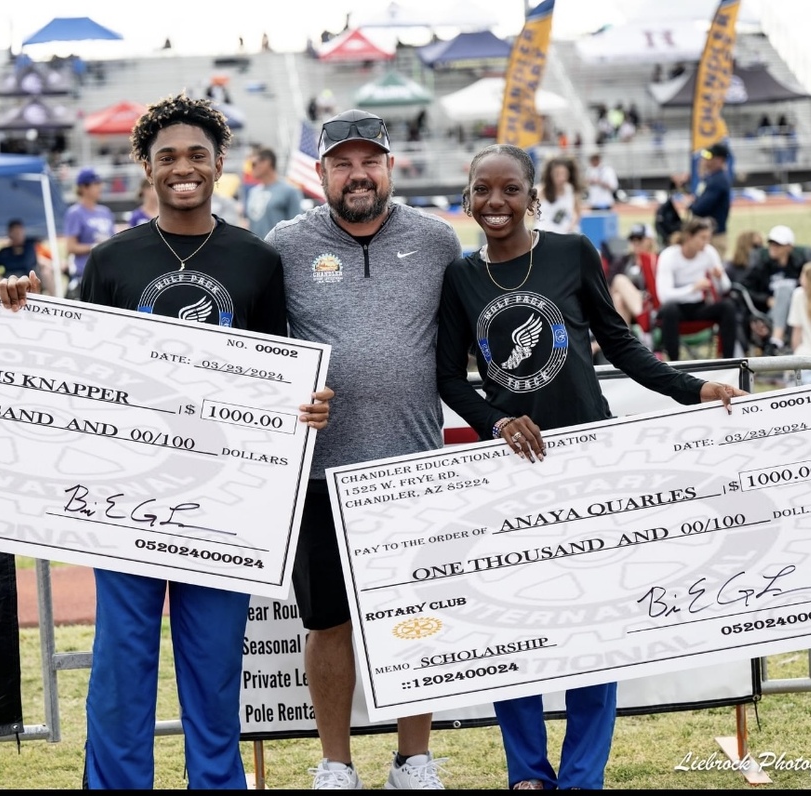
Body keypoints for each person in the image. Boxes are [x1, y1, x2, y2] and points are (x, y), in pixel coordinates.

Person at [0, 93, 333, 790]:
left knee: (213, 673)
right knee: (122, 666)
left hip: (223, 500)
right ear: (145, 165)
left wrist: (308, 403)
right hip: (127, 495)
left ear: (219, 164)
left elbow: (277, 369)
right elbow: (77, 370)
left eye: (197, 156)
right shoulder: (114, 260)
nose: (184, 168)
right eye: (168, 156)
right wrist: (24, 315)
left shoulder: (257, 261)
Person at [434, 144, 745, 791]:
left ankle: (581, 775)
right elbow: (447, 378)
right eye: (483, 190)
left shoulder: (572, 252)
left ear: (533, 196)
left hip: (587, 463)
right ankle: (527, 772)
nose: (496, 202)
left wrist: (692, 388)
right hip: (512, 470)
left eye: (510, 189)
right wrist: (496, 419)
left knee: (592, 627)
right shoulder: (460, 277)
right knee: (512, 627)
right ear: (466, 198)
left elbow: (620, 341)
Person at [266, 108, 464, 790]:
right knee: (328, 624)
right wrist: (282, 400)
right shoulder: (286, 244)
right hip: (320, 473)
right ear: (321, 172)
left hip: (412, 467)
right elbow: (261, 354)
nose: (358, 175)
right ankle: (335, 763)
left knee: (415, 616)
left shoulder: (438, 241)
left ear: (389, 168)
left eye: (369, 161)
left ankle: (414, 759)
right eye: (342, 163)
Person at [653, 217, 739, 361]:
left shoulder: (709, 252)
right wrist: (693, 288)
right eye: (702, 238)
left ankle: (728, 360)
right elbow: (664, 296)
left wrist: (719, 277)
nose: (706, 243)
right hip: (676, 309)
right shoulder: (669, 255)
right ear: (689, 237)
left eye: (708, 238)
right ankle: (675, 363)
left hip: (699, 306)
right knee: (669, 309)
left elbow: (725, 288)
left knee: (728, 306)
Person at [742, 225, 811, 355]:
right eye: (771, 243)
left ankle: (775, 342)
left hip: (798, 312)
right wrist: (766, 300)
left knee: (788, 292)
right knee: (784, 291)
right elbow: (745, 289)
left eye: (778, 244)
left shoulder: (800, 266)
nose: (773, 247)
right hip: (770, 315)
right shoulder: (761, 266)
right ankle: (777, 339)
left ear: (789, 247)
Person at [62, 167, 115, 296]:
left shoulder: (105, 212)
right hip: (85, 274)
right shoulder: (75, 213)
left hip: (108, 273)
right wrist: (95, 247)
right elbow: (70, 247)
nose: (100, 187)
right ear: (83, 187)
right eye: (96, 184)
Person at [243, 148, 302, 240]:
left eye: (254, 164)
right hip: (255, 249)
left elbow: (297, 227)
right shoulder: (253, 192)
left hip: (279, 250)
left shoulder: (290, 191)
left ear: (267, 162)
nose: (251, 168)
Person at [688, 142, 732, 259]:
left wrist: (691, 205)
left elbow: (700, 208)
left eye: (709, 157)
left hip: (714, 236)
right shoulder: (712, 178)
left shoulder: (717, 181)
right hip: (709, 234)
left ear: (719, 160)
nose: (705, 160)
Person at [533, 156, 581, 235]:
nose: (561, 178)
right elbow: (531, 217)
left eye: (564, 173)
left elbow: (577, 212)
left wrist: (572, 225)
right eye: (557, 174)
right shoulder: (540, 191)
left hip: (566, 236)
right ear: (550, 174)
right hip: (544, 236)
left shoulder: (571, 190)